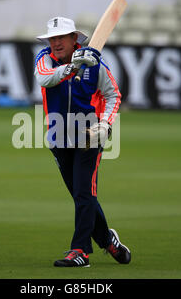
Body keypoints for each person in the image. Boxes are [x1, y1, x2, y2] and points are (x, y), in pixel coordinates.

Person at [34, 17, 131, 267]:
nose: (55, 43)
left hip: (89, 138)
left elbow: (113, 95)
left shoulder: (95, 64)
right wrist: (71, 68)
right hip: (58, 138)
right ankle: (108, 241)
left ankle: (80, 251)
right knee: (81, 196)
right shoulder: (44, 58)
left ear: (74, 39)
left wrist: (106, 124)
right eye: (52, 38)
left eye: (61, 38)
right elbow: (45, 79)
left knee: (84, 193)